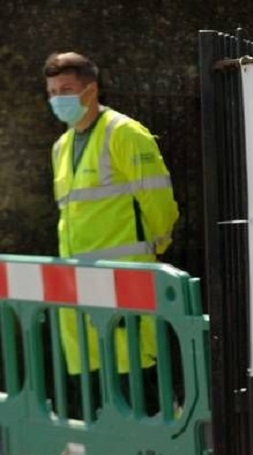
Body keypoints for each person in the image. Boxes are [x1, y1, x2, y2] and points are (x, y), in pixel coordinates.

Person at [43, 52, 179, 417]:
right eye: (52, 92)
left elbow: (158, 201)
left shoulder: (124, 133)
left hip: (124, 283)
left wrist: (154, 247)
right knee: (96, 398)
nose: (57, 99)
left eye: (66, 89)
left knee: (139, 386)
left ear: (91, 89)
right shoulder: (61, 147)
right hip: (80, 288)